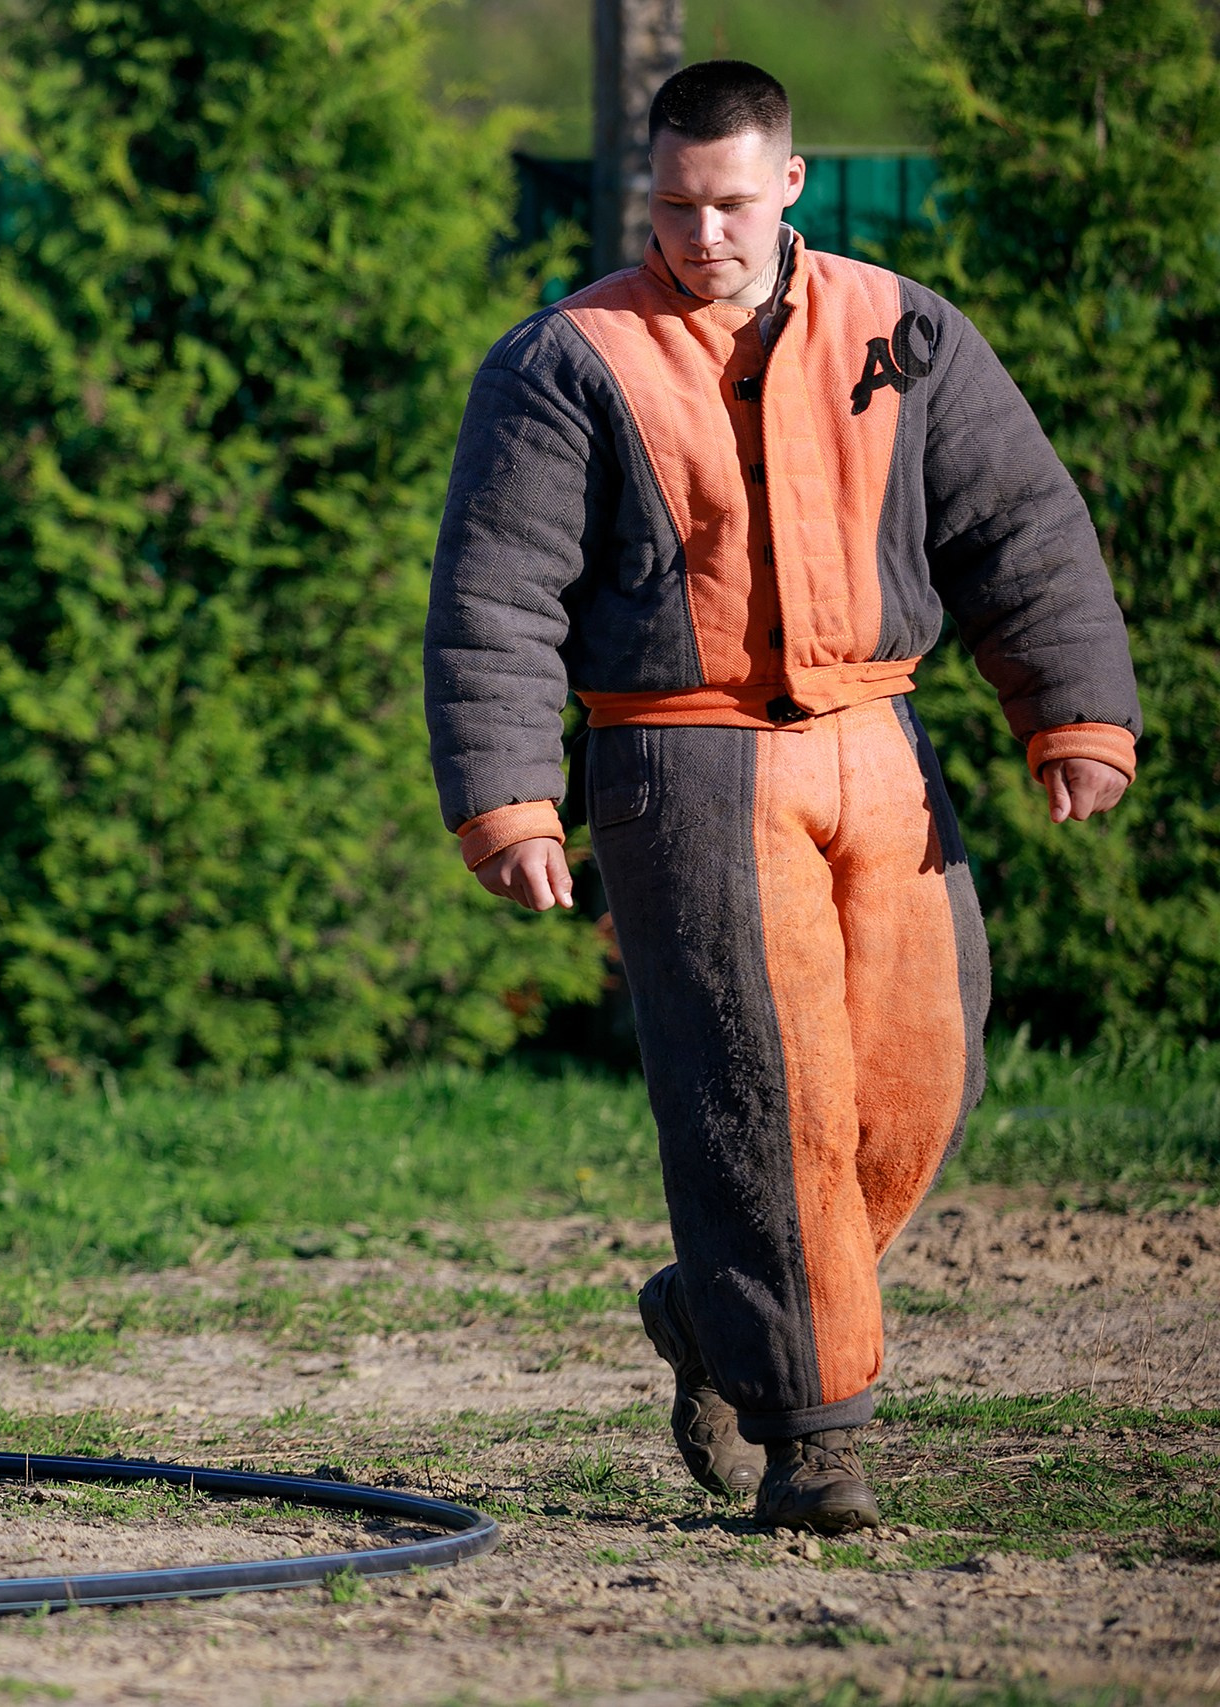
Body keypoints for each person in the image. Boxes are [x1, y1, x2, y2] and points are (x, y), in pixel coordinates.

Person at [423, 60, 1139, 1533]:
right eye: (676, 207)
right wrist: (510, 802)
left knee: (922, 1083)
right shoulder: (566, 358)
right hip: (681, 763)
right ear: (650, 193)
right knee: (769, 1099)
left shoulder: (904, 328)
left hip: (881, 745)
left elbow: (1019, 525)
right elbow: (496, 593)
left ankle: (714, 1306)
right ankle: (815, 1440)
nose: (704, 235)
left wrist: (1071, 712)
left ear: (792, 184)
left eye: (732, 203)